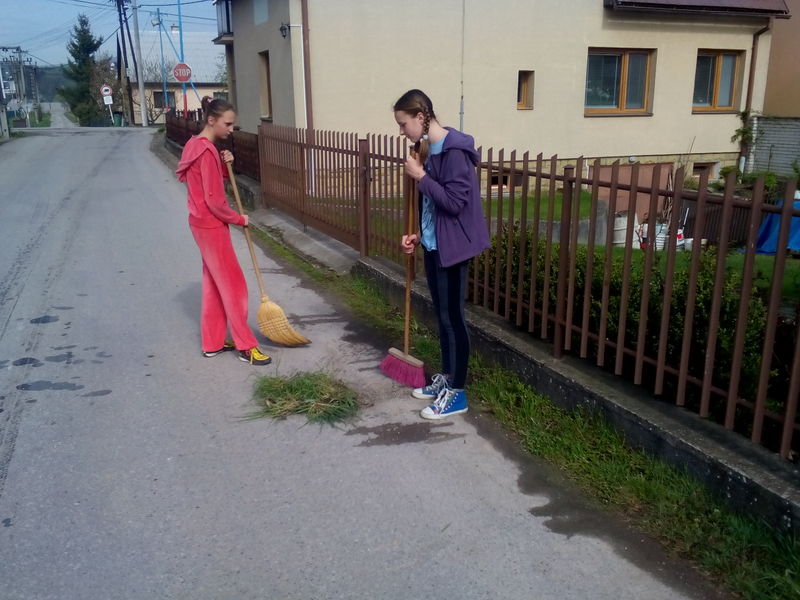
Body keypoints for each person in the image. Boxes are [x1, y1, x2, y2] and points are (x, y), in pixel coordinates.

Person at [394, 89, 490, 419]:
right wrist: (418, 235)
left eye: (403, 123)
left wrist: (420, 176)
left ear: (421, 117)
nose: (402, 131)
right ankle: (447, 378)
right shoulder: (428, 149)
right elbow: (431, 206)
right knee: (442, 317)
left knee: (453, 320)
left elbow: (454, 203)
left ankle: (457, 393)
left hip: (454, 248)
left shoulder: (455, 151)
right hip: (434, 245)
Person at [176, 96, 271, 366]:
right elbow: (214, 201)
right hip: (211, 225)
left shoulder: (195, 145)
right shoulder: (206, 151)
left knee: (214, 284)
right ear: (211, 120)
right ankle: (246, 346)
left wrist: (224, 165)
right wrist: (238, 219)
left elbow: (206, 182)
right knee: (234, 286)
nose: (231, 129)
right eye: (227, 124)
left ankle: (213, 343)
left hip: (199, 223)